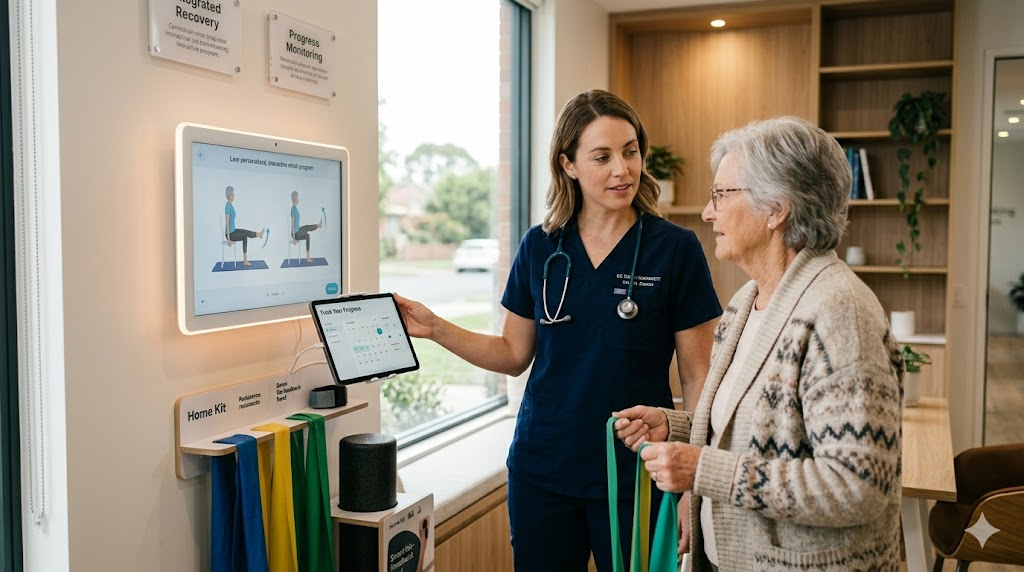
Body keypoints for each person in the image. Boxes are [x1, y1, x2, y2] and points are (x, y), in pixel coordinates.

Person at [394, 89, 722, 571]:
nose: (622, 170)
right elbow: (513, 354)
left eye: (630, 152)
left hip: (635, 472)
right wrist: (436, 328)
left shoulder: (675, 249)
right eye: (602, 157)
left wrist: (693, 476)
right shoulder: (541, 246)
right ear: (568, 164)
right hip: (543, 469)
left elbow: (697, 375)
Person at [612, 116, 904, 571]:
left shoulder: (839, 313)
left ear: (776, 209)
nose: (708, 213)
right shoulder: (746, 302)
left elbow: (858, 486)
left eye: (721, 195)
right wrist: (679, 427)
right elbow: (763, 429)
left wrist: (702, 469)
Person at [224, 186, 266, 266]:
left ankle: (259, 234)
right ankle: (245, 260)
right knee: (245, 236)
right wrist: (228, 239)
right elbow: (227, 223)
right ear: (229, 195)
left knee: (244, 231)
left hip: (233, 231)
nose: (234, 195)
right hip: (230, 234)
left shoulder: (230, 205)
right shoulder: (227, 206)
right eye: (233, 194)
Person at [290, 190, 323, 263]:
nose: (298, 199)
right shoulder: (293, 209)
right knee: (306, 227)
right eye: (297, 197)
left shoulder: (295, 208)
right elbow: (292, 224)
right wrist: (294, 238)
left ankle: (308, 257)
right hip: (295, 233)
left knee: (307, 236)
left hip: (297, 231)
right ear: (295, 198)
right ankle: (318, 225)